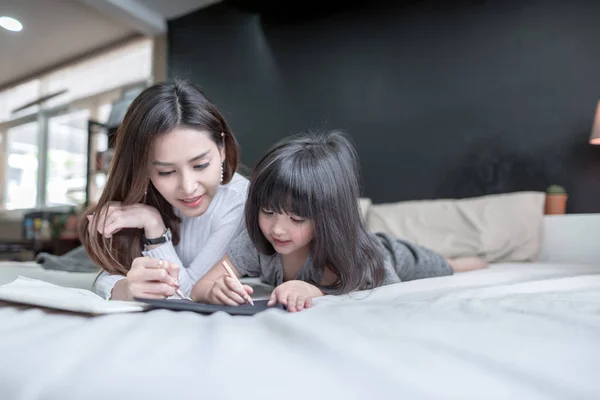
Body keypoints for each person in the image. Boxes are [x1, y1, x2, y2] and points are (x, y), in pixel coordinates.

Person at [188, 130, 487, 312]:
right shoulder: (254, 242)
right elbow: (202, 286)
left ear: (326, 217)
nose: (277, 229)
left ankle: (470, 260)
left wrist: (314, 291)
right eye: (267, 212)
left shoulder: (351, 253)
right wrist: (213, 291)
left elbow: (383, 292)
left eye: (296, 218)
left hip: (390, 255)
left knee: (449, 266)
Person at [79, 80, 249, 301]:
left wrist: (154, 228)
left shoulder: (240, 201)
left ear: (222, 149)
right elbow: (111, 273)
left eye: (200, 165)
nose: (188, 188)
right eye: (166, 172)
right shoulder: (146, 192)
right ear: (144, 169)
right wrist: (128, 289)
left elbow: (187, 293)